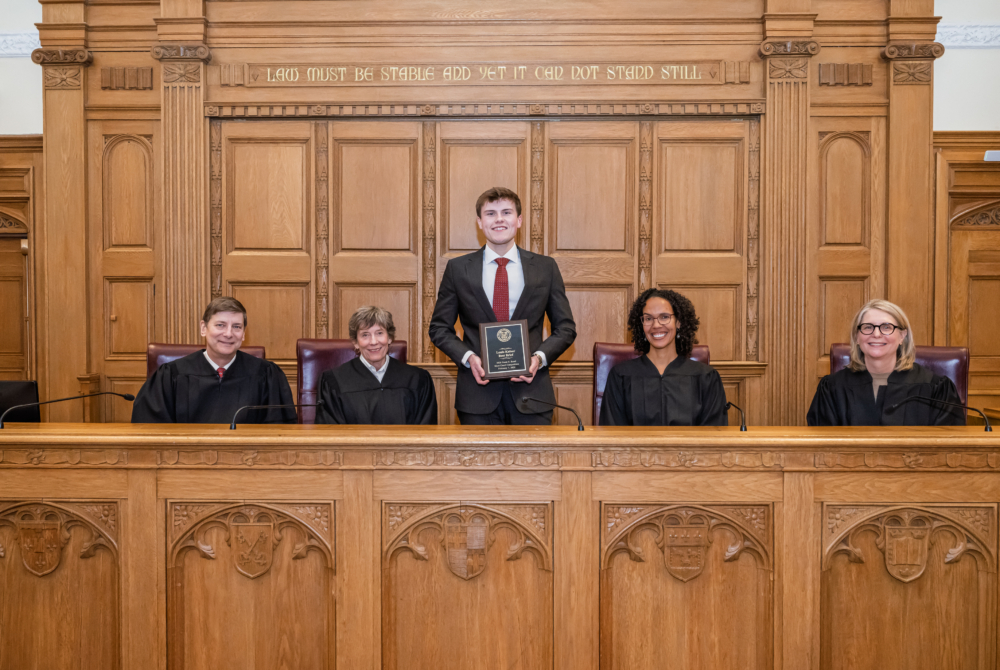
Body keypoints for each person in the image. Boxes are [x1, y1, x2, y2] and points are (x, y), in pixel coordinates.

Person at [428, 187, 576, 425]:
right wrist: (468, 358)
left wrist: (538, 359)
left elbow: (566, 328)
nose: (498, 219)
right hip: (477, 396)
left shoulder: (545, 268)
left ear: (518, 220)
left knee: (533, 464)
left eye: (506, 212)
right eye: (490, 213)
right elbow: (439, 328)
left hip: (533, 395)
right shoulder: (458, 270)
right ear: (479, 221)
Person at [131, 297, 296, 424]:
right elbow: (150, 430)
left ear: (244, 334)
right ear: (204, 328)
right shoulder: (170, 376)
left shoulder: (267, 375)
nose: (228, 334)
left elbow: (279, 433)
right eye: (220, 325)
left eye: (237, 327)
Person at [807, 299, 964, 426]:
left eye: (886, 327)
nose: (876, 334)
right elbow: (823, 450)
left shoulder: (936, 389)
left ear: (902, 336)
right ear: (856, 337)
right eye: (867, 327)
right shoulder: (833, 389)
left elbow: (948, 450)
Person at [599, 288, 728, 426]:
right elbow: (612, 436)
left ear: (678, 322)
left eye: (664, 317)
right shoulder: (621, 376)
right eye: (648, 318)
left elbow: (714, 438)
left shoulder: (706, 378)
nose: (656, 325)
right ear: (642, 325)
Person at [316, 306, 437, 425]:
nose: (373, 342)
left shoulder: (417, 379)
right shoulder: (334, 381)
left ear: (389, 338)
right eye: (365, 335)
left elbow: (425, 432)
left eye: (379, 333)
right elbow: (331, 435)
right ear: (355, 342)